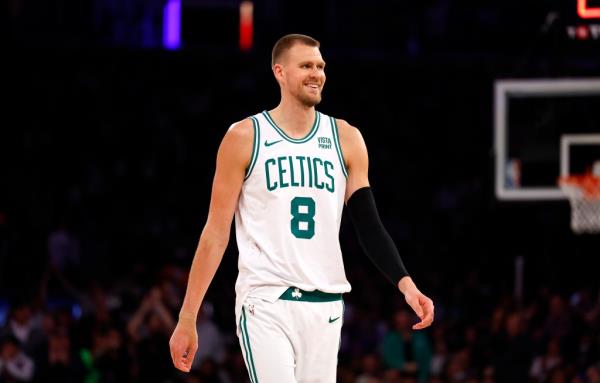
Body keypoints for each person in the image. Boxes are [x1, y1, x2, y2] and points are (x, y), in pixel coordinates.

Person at [169, 33, 434, 382]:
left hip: (325, 304)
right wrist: (188, 317)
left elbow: (368, 224)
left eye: (320, 66)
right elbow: (216, 233)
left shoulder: (346, 138)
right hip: (265, 300)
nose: (317, 73)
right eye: (306, 65)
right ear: (280, 71)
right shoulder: (245, 136)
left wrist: (406, 284)